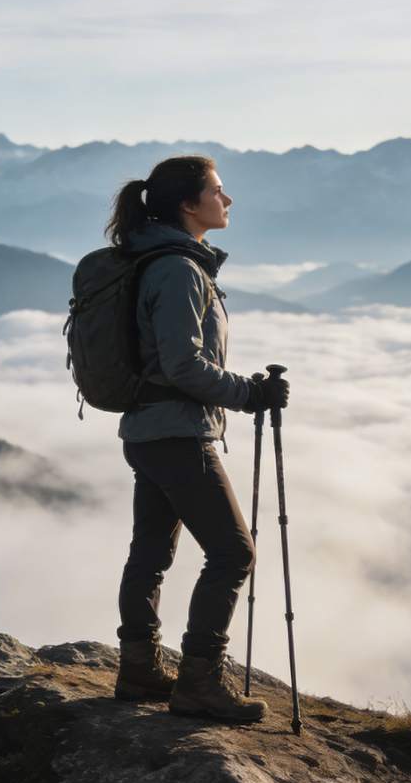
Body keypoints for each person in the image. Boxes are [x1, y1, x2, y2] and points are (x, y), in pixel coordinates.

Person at [107, 155, 290, 722]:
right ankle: (199, 683)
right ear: (189, 205)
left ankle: (139, 667)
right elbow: (184, 366)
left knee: (150, 553)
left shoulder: (152, 258)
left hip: (147, 430)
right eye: (217, 191)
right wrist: (250, 393)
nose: (227, 200)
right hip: (176, 433)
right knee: (234, 553)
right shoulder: (179, 269)